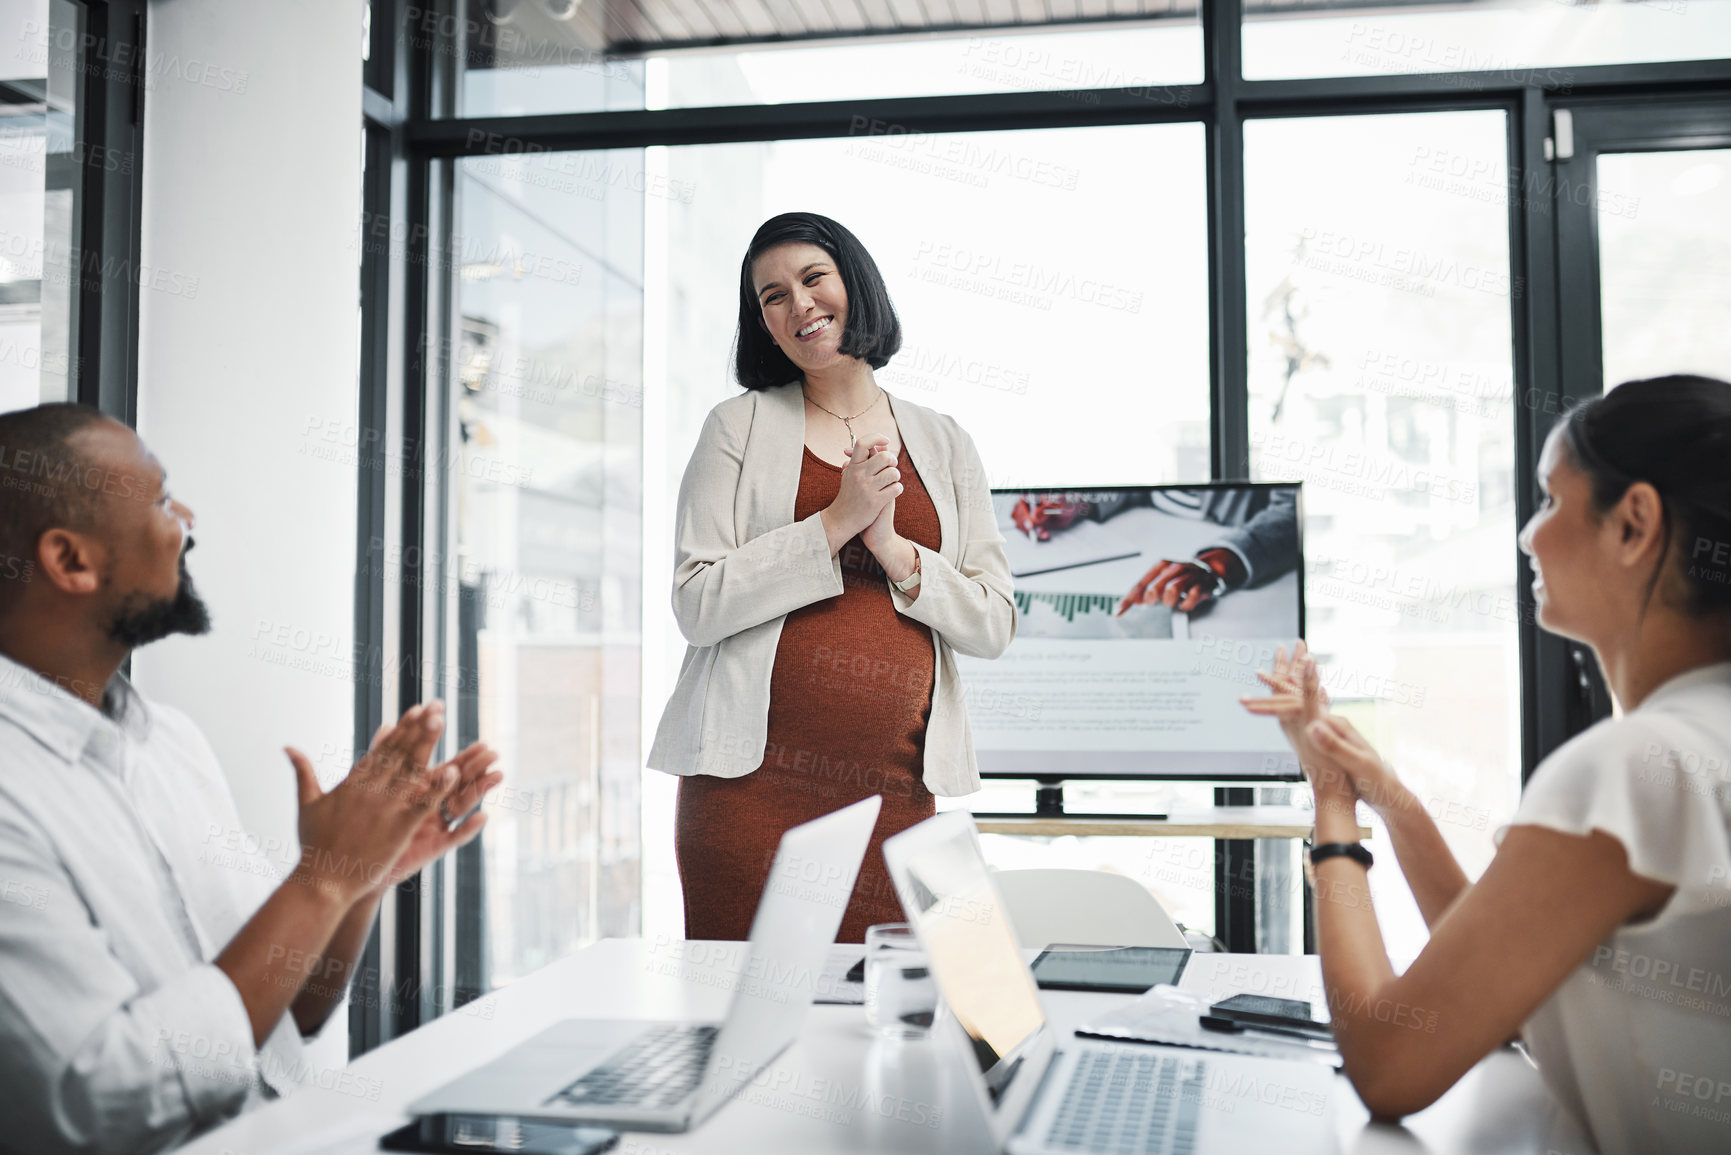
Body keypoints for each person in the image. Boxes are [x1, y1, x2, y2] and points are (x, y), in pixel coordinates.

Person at [1241, 375, 1731, 1154]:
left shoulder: (1631, 766)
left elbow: (1388, 1060)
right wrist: (1391, 797)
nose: (1526, 534)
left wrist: (1331, 804)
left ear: (1633, 523)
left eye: (1547, 499)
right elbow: (1506, 979)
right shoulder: (1698, 744)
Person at [0, 404, 504, 1155]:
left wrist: (359, 871)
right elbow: (98, 1105)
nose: (187, 521)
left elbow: (290, 1012)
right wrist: (318, 883)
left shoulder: (169, 743)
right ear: (71, 561)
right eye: (162, 499)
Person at [649, 212, 1016, 942]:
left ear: (855, 283)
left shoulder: (943, 439)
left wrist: (895, 550)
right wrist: (833, 522)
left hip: (899, 799)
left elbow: (991, 620)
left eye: (813, 278)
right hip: (745, 797)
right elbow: (697, 602)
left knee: (900, 1028)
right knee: (745, 1032)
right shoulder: (737, 426)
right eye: (772, 297)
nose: (799, 305)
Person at [1012, 487, 1298, 614]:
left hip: (1251, 580)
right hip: (1137, 541)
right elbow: (1132, 484)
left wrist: (1221, 563)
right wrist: (1079, 502)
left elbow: (1292, 512)